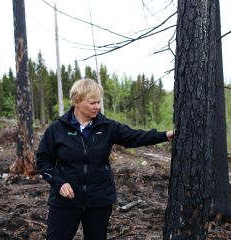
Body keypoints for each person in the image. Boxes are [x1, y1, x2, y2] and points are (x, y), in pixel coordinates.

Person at [36, 78, 173, 240]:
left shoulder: (107, 127)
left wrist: (164, 135)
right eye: (93, 103)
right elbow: (43, 160)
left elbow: (135, 137)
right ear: (77, 102)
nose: (97, 107)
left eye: (99, 102)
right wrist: (59, 182)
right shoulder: (57, 129)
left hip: (99, 200)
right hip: (65, 201)